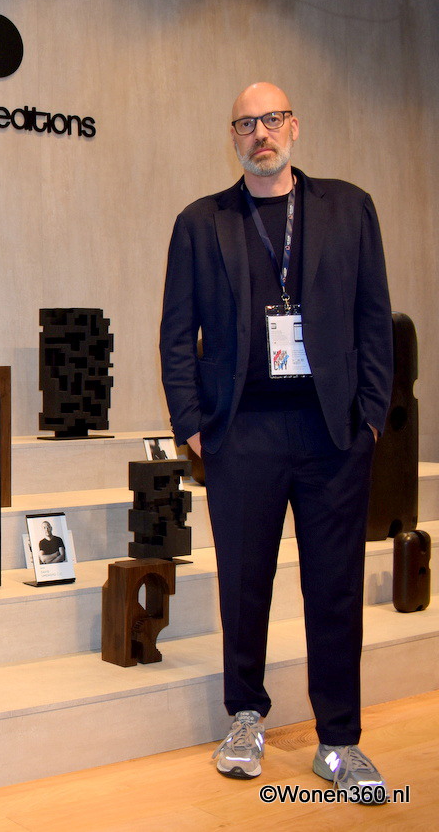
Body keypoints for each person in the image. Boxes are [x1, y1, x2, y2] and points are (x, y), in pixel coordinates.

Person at [159, 83, 392, 800]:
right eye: (245, 123)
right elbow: (176, 335)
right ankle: (245, 718)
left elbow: (374, 318)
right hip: (241, 433)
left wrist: (371, 417)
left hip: (331, 431)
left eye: (271, 119)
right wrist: (192, 426)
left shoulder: (348, 208)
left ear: (294, 126)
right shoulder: (202, 222)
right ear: (233, 136)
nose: (260, 133)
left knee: (335, 588)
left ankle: (339, 741)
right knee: (244, 583)